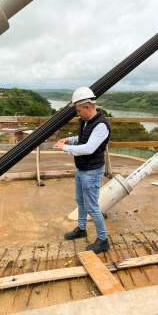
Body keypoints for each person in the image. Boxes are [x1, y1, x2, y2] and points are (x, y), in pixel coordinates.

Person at [53, 87, 110, 254]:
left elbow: (89, 148)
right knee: (80, 200)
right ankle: (82, 229)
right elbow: (83, 139)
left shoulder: (101, 125)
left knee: (92, 206)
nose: (78, 114)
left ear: (87, 107)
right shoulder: (86, 121)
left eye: (78, 111)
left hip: (92, 171)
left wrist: (65, 148)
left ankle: (103, 239)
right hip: (82, 169)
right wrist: (69, 140)